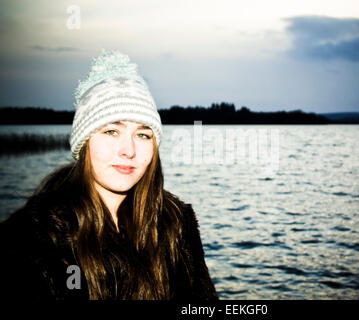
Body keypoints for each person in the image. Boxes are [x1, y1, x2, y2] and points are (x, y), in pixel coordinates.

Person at [0, 50, 218, 300]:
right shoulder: (32, 237)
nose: (129, 150)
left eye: (143, 135)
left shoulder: (175, 223)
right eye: (112, 131)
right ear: (85, 142)